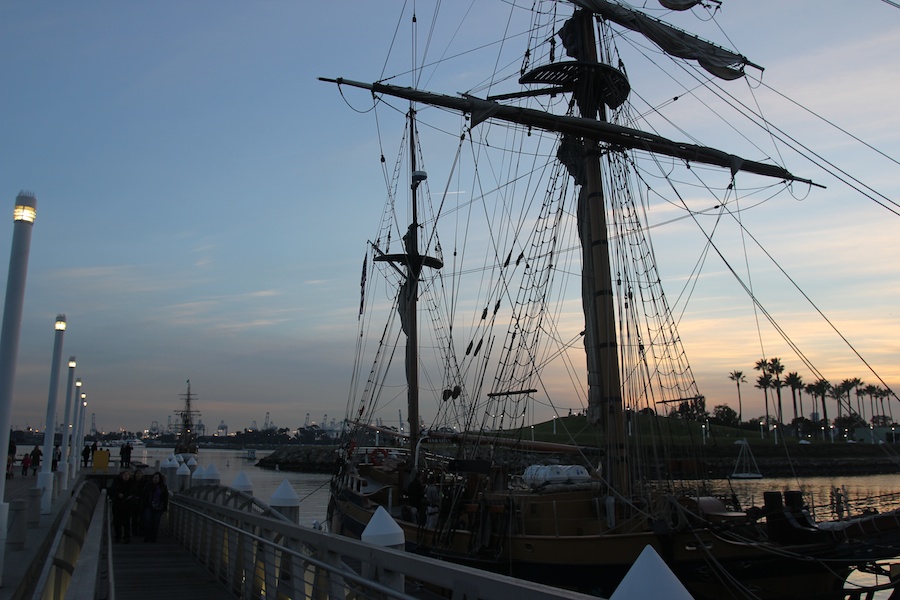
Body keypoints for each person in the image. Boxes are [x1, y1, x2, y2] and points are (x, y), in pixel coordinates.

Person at [109, 470, 137, 542]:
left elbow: (133, 493)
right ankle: (118, 536)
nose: (126, 476)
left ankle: (127, 537)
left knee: (126, 522)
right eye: (124, 475)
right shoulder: (117, 482)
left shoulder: (132, 483)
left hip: (127, 505)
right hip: (117, 504)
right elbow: (112, 491)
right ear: (122, 475)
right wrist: (118, 494)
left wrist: (126, 496)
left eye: (127, 475)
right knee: (117, 521)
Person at [142, 472, 169, 542]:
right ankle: (147, 536)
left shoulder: (163, 487)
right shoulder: (148, 485)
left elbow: (166, 497)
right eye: (154, 478)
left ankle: (153, 537)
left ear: (160, 479)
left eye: (157, 478)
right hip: (148, 506)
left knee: (156, 522)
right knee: (148, 521)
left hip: (159, 507)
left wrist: (164, 507)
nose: (155, 479)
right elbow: (144, 495)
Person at [131, 469, 148, 536]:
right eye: (137, 474)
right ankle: (134, 531)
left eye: (140, 474)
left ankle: (141, 531)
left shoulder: (145, 482)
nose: (139, 475)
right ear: (135, 475)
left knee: (142, 518)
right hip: (134, 502)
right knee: (134, 518)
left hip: (142, 502)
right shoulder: (132, 482)